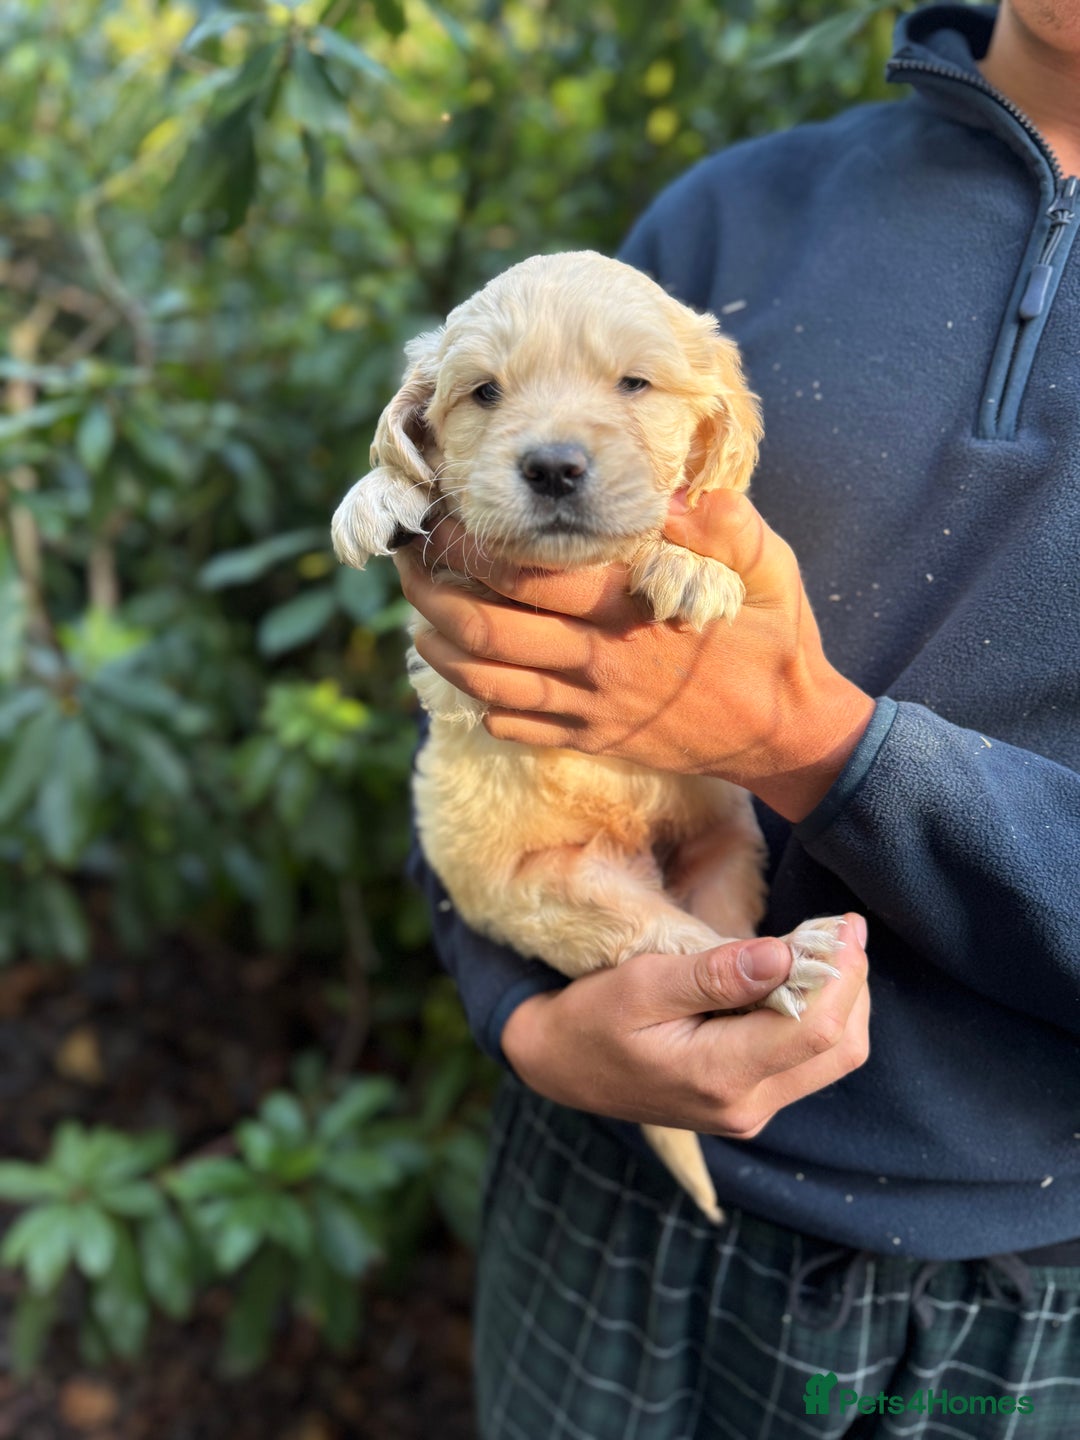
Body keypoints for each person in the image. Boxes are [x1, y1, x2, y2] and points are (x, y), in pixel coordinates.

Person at [394, 3, 1080, 1435]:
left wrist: (818, 743)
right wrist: (526, 1018)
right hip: (601, 1169)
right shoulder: (730, 217)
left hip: (1020, 1267)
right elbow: (477, 693)